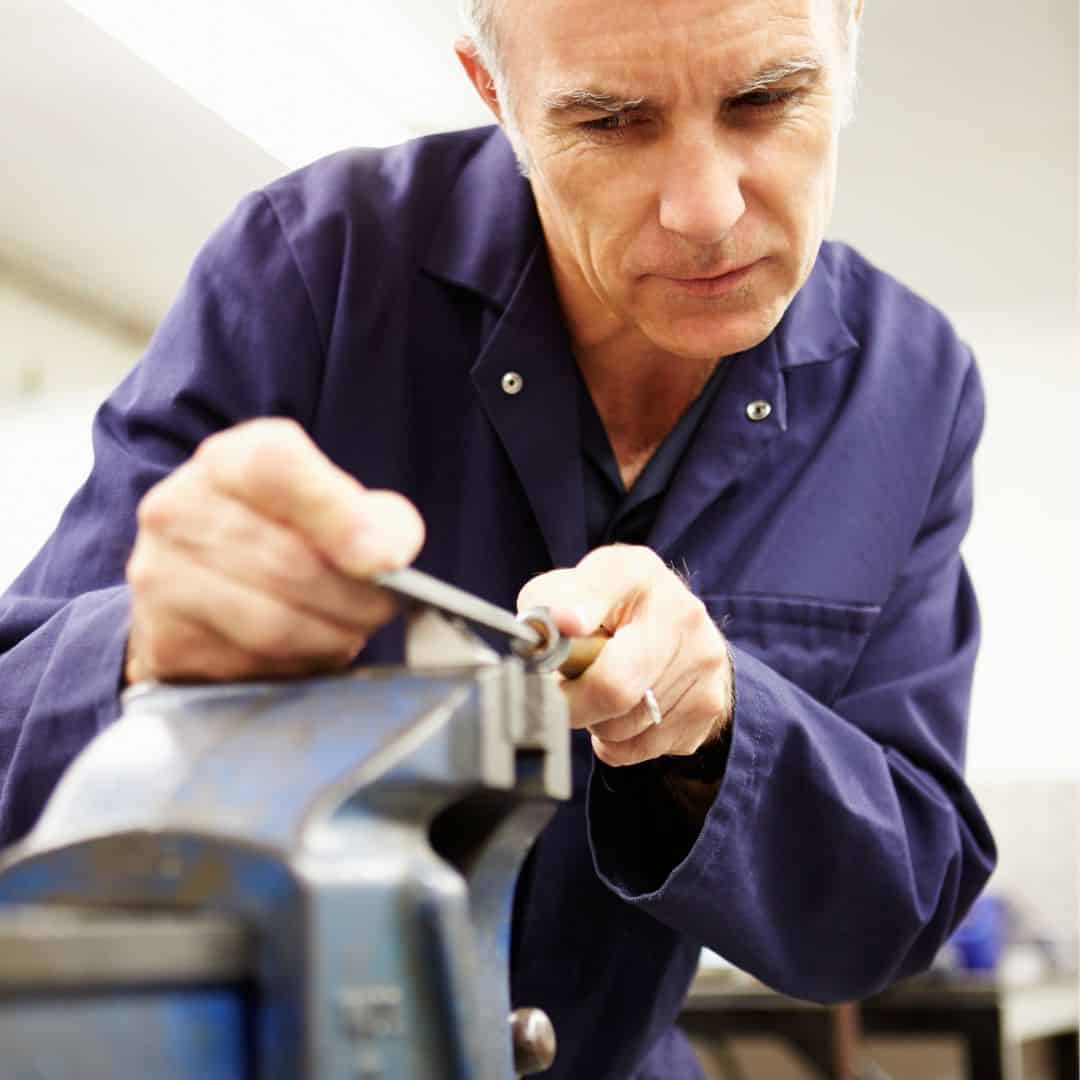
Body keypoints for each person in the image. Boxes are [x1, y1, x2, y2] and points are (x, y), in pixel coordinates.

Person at [0, 0, 996, 1075]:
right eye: (611, 121)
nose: (706, 209)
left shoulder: (911, 389)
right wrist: (145, 653)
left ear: (848, 50)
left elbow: (891, 908)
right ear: (497, 97)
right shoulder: (310, 268)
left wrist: (717, 734)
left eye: (767, 98)